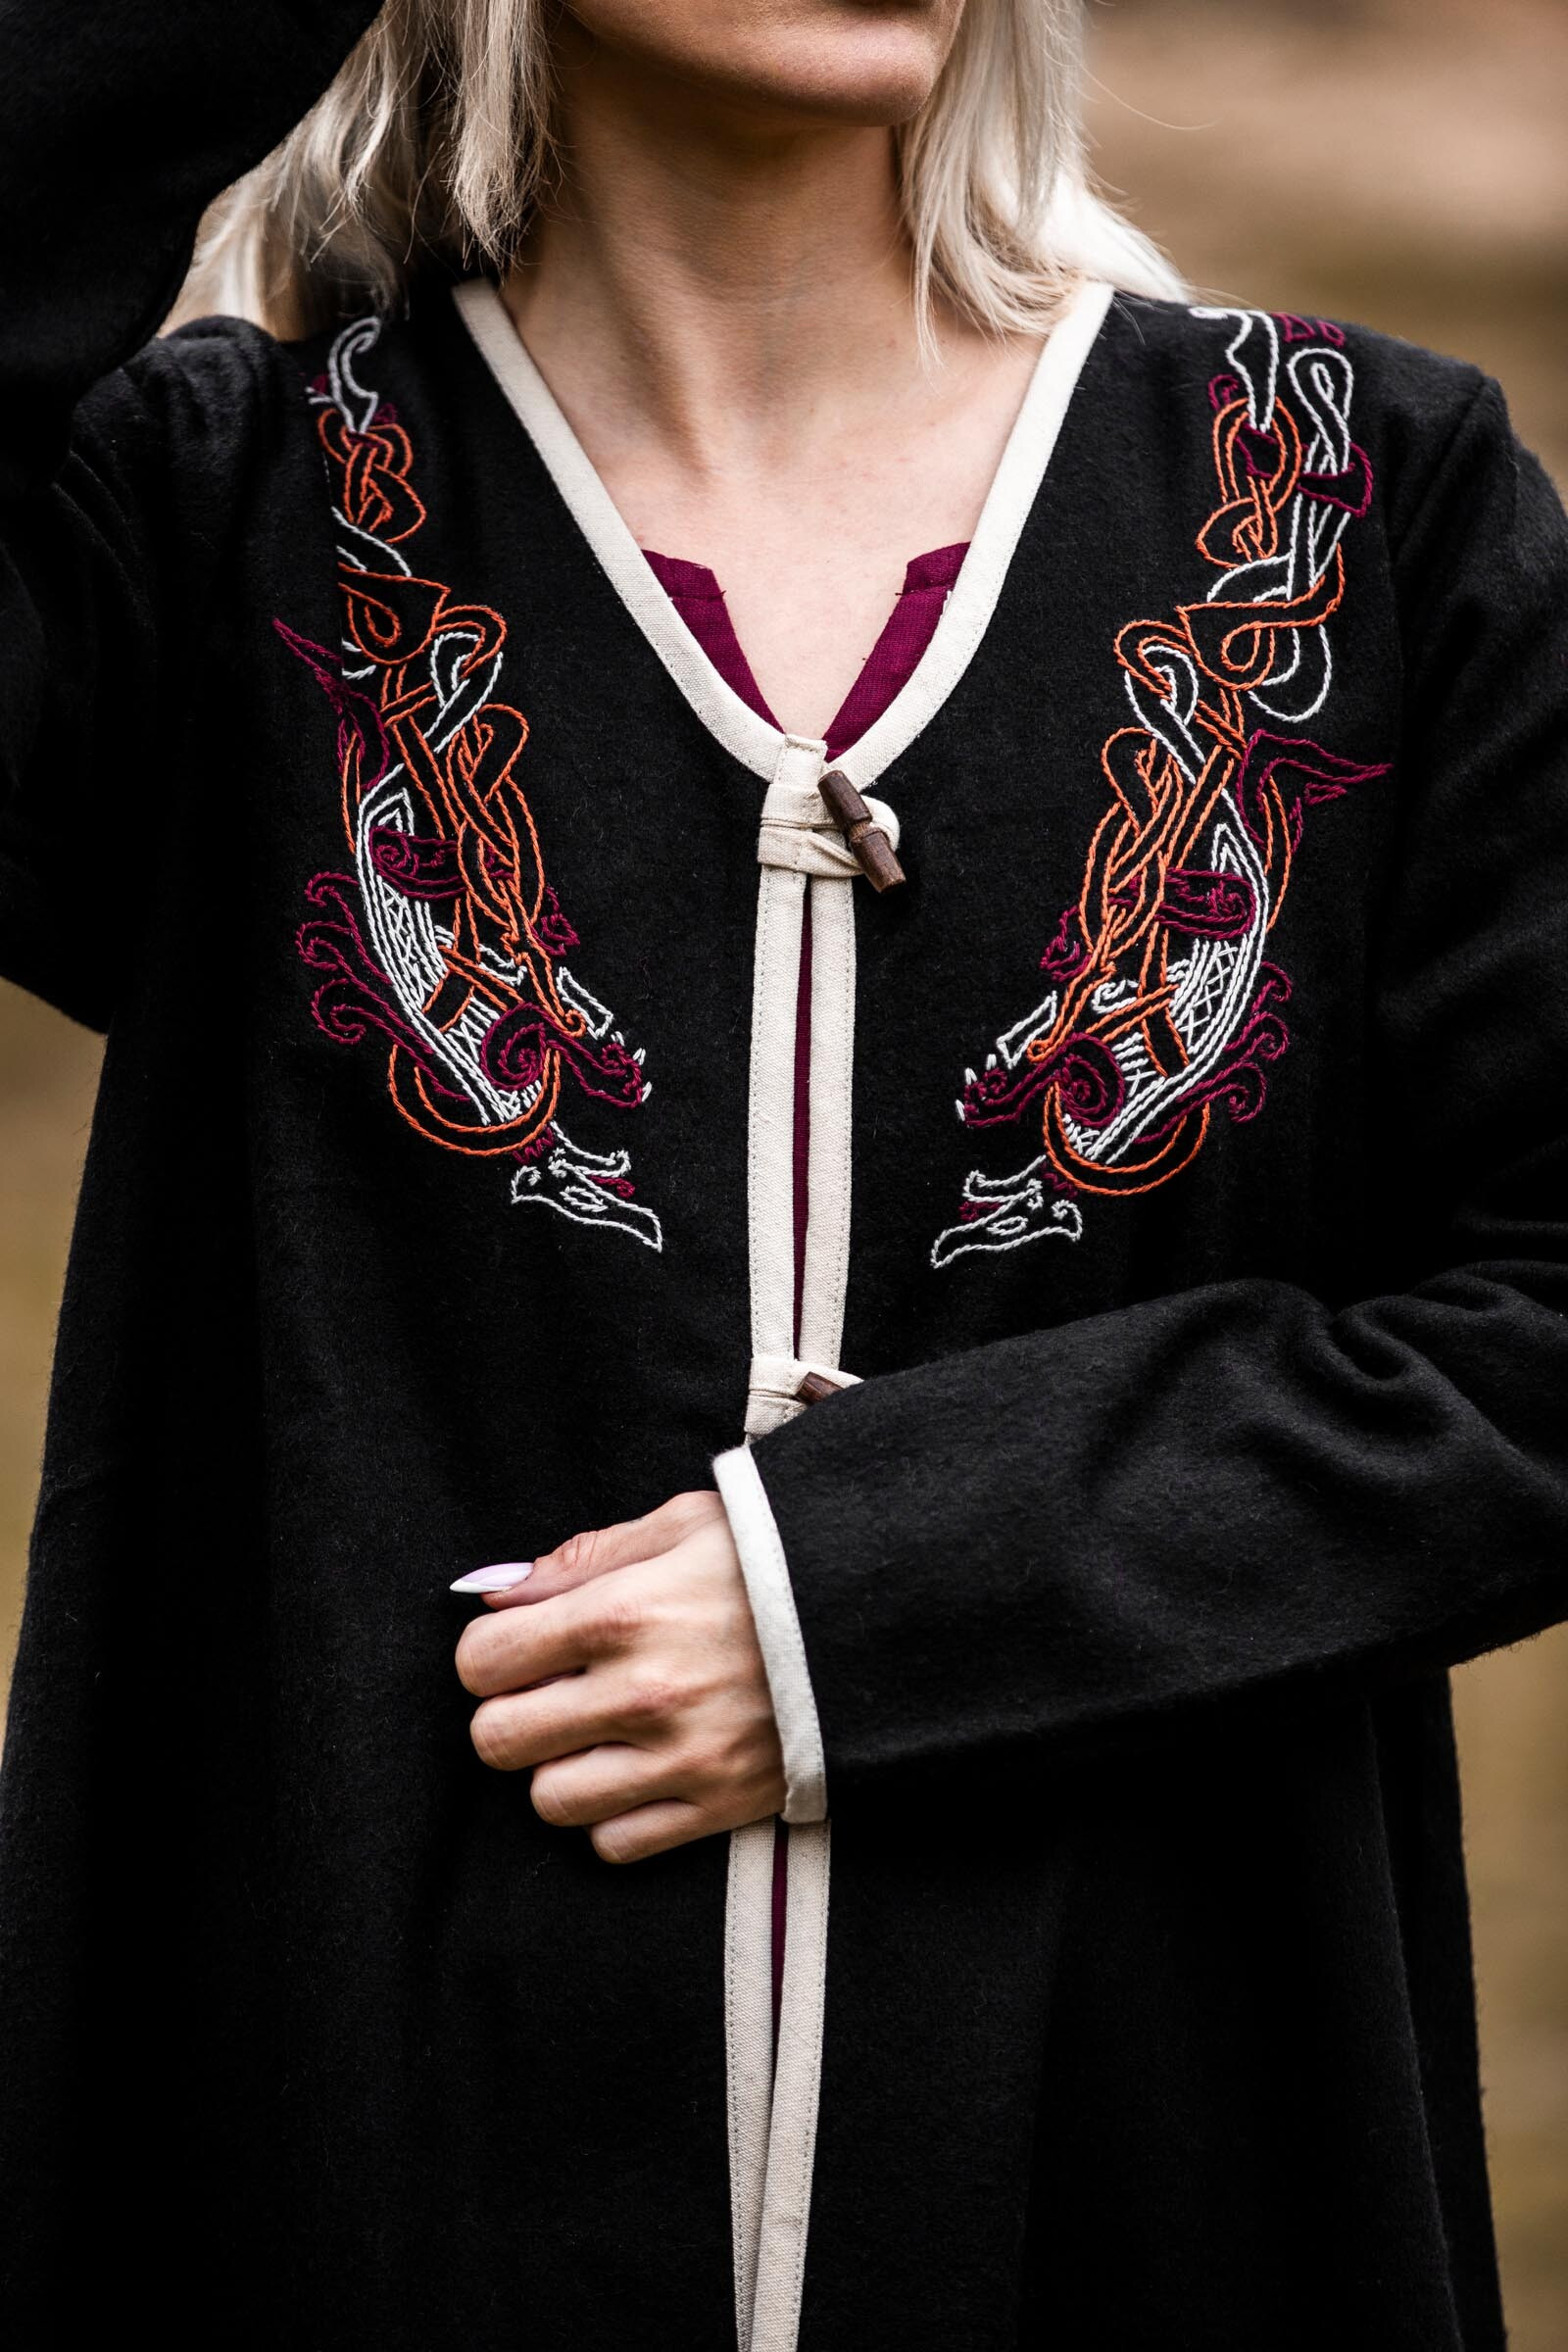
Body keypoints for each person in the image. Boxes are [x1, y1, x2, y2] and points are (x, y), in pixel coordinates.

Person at [1, 1, 1564, 2345]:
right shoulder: (214, 525)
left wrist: (883, 1589)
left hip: (1141, 2188)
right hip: (357, 2196)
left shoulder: (1357, 513)